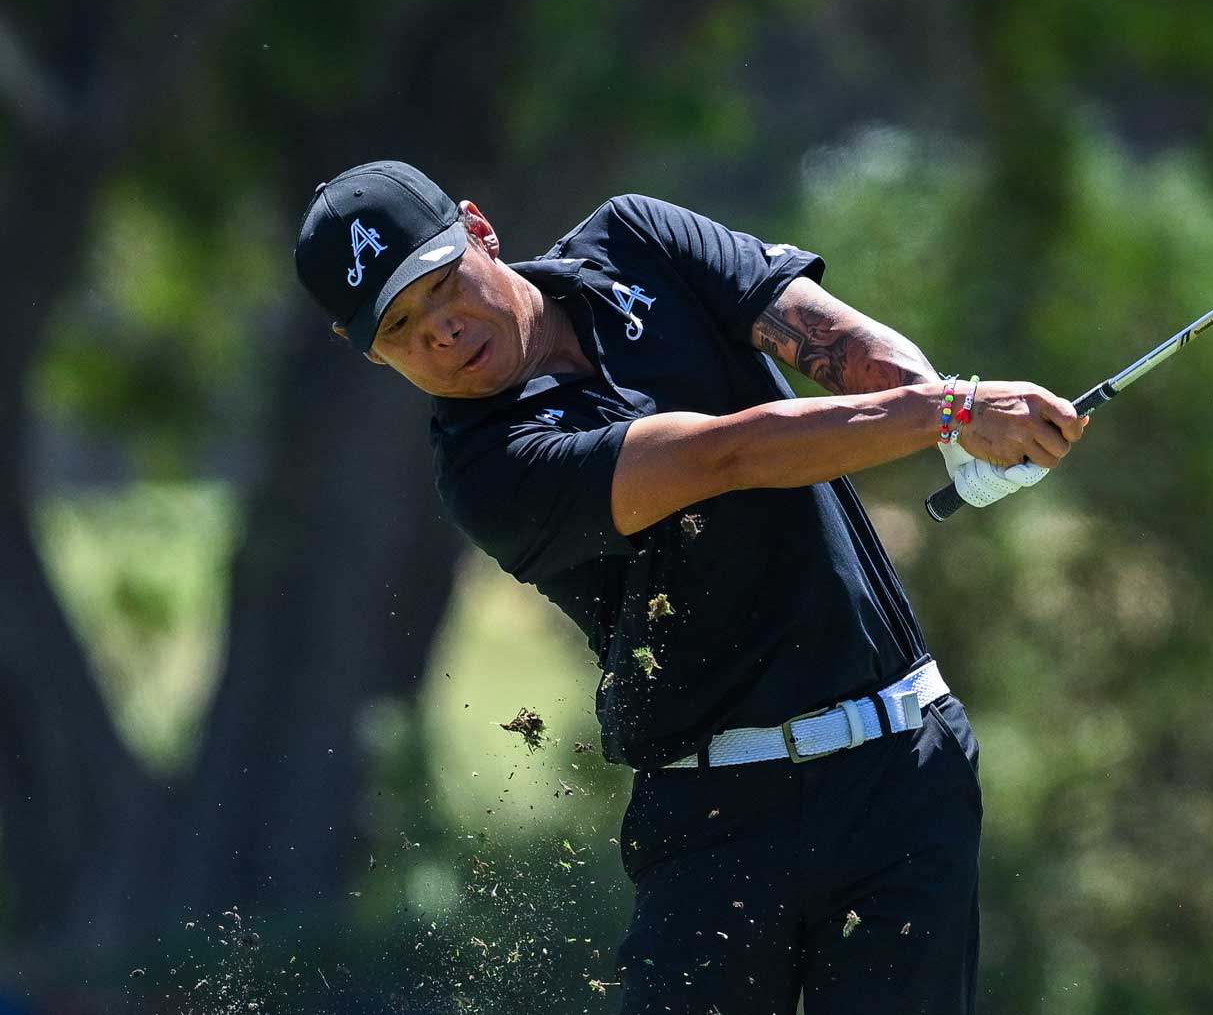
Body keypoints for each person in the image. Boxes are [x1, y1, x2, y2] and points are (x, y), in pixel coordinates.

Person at [293, 160, 1086, 1013]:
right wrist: (958, 414)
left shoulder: (638, 240)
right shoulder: (489, 472)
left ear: (480, 230)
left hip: (905, 773)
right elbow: (725, 455)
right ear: (366, 351)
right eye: (403, 327)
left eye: (443, 285)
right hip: (718, 824)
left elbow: (834, 342)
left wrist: (950, 424)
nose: (441, 332)